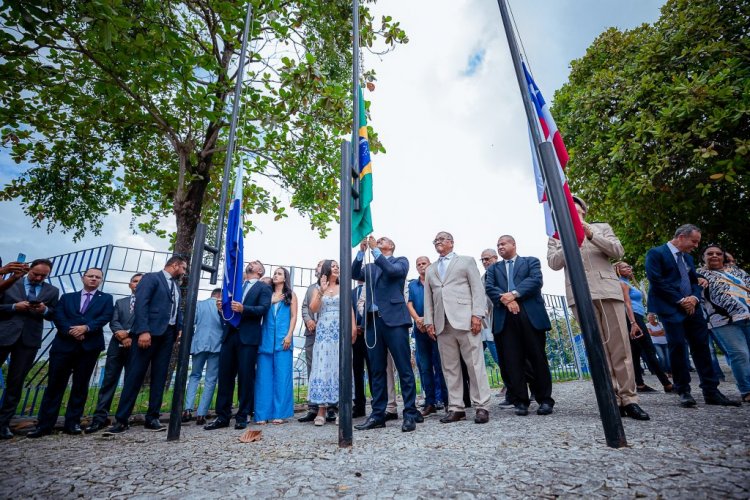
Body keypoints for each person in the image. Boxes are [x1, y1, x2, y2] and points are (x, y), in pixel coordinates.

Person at [548, 197, 649, 421]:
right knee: (598, 350)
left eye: (575, 204)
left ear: (583, 210)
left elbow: (617, 251)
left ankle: (629, 398)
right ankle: (610, 398)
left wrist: (590, 234)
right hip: (579, 293)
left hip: (608, 290)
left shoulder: (601, 228)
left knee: (620, 347)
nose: (571, 207)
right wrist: (570, 239)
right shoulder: (556, 236)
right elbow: (554, 263)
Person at [645, 224, 740, 408]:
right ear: (681, 237)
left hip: (693, 308)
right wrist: (681, 300)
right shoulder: (656, 254)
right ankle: (684, 391)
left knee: (702, 348)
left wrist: (695, 298)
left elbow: (694, 281)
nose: (696, 246)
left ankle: (711, 391)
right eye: (694, 241)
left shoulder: (687, 258)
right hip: (671, 308)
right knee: (678, 347)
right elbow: (656, 281)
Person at [28, 267, 115, 438]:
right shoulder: (67, 297)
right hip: (64, 345)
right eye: (90, 276)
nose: (94, 279)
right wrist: (71, 331)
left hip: (89, 347)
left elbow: (105, 317)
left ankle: (72, 423)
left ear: (101, 280)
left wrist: (86, 328)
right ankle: (44, 425)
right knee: (54, 386)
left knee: (80, 386)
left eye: (97, 277)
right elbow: (58, 316)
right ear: (83, 278)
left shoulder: (106, 298)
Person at [107, 256, 188, 434]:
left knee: (160, 377)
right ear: (175, 265)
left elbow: (176, 309)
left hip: (168, 334)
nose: (184, 272)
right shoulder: (151, 278)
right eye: (183, 268)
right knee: (135, 375)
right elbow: (141, 304)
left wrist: (179, 328)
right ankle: (121, 420)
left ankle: (153, 418)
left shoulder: (175, 285)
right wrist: (143, 330)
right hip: (148, 333)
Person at [352, 236, 422, 432]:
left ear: (391, 246)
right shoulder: (371, 267)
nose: (379, 240)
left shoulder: (401, 261)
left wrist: (375, 251)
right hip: (373, 322)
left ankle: (409, 413)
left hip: (395, 321)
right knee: (376, 370)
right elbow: (353, 273)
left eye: (383, 240)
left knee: (404, 368)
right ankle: (377, 415)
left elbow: (392, 272)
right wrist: (360, 253)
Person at [423, 232, 491, 424]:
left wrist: (477, 314)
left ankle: (481, 406)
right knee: (449, 367)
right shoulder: (431, 269)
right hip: (442, 323)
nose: (438, 241)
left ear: (451, 243)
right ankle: (456, 407)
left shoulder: (467, 261)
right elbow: (428, 298)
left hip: (466, 320)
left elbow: (478, 290)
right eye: (435, 239)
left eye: (442, 238)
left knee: (474, 365)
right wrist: (429, 322)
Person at [488, 235, 554, 417]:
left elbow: (535, 281)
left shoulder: (530, 261)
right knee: (512, 361)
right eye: (498, 244)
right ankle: (520, 401)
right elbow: (490, 288)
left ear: (513, 244)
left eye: (503, 243)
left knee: (537, 359)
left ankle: (545, 400)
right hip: (505, 318)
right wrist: (507, 300)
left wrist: (514, 294)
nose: (500, 247)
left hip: (529, 316)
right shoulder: (494, 269)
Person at [205, 261, 272, 430]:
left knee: (245, 377)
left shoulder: (263, 288)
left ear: (260, 271)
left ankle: (243, 415)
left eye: (256, 263)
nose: (252, 262)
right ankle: (222, 416)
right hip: (230, 336)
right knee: (225, 376)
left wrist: (244, 309)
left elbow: (263, 309)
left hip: (248, 337)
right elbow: (227, 315)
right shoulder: (236, 287)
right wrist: (222, 310)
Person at [0, 259, 59, 440]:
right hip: (3, 335)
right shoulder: (9, 283)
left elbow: (54, 314)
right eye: (36, 274)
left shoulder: (52, 291)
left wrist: (44, 310)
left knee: (15, 383)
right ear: (29, 270)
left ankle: (3, 424)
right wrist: (13, 307)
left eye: (43, 276)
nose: (39, 278)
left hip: (29, 340)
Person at [86, 273, 142, 433]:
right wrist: (120, 334)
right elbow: (114, 320)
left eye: (141, 282)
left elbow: (144, 321)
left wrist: (130, 334)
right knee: (108, 382)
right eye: (135, 281)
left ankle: (122, 419)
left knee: (131, 384)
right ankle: (99, 418)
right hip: (117, 345)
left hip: (136, 346)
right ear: (130, 284)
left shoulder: (148, 304)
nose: (137, 284)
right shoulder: (120, 302)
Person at [697, 244, 750, 403]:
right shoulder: (698, 273)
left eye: (718, 253)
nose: (714, 256)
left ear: (723, 256)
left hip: (747, 316)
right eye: (710, 253)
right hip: (723, 321)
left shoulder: (737, 271)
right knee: (740, 354)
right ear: (703, 257)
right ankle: (746, 390)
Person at [306, 260, 356, 425]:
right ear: (327, 269)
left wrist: (353, 328)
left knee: (340, 366)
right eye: (333, 266)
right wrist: (321, 290)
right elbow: (313, 309)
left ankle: (342, 408)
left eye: (338, 266)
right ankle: (321, 409)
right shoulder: (318, 288)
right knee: (322, 367)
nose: (336, 268)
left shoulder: (344, 287)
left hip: (340, 330)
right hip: (323, 332)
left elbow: (349, 309)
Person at [614, 262, 673, 393]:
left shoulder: (628, 282)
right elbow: (627, 303)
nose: (629, 268)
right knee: (649, 349)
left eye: (629, 266)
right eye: (624, 267)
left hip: (636, 316)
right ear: (617, 270)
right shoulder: (621, 283)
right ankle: (667, 383)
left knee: (635, 352)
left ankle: (639, 384)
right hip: (633, 317)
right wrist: (633, 323)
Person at [254, 267, 297, 424]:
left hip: (283, 341)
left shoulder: (291, 295)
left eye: (279, 273)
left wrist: (289, 335)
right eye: (275, 273)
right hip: (265, 340)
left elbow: (293, 317)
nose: (275, 276)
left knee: (282, 377)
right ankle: (262, 414)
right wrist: (271, 301)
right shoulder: (267, 295)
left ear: (285, 278)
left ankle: (280, 413)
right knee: (263, 378)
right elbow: (260, 311)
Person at [408, 256, 448, 417]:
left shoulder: (438, 281)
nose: (421, 266)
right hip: (420, 330)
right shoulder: (413, 284)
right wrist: (418, 319)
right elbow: (409, 303)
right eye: (418, 264)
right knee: (424, 367)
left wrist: (429, 320)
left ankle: (446, 402)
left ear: (430, 265)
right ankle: (430, 402)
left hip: (438, 329)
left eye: (424, 263)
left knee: (441, 366)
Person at [182, 288, 223, 426]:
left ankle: (187, 409)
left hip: (199, 343)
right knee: (211, 379)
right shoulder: (222, 306)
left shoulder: (199, 305)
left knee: (194, 375)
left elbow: (191, 322)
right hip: (217, 344)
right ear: (219, 296)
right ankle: (201, 414)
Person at [298, 260, 326, 423]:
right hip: (312, 332)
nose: (318, 266)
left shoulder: (334, 287)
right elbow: (304, 307)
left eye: (321, 264)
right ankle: (313, 407)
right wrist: (308, 320)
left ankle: (330, 408)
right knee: (312, 368)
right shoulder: (310, 288)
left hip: (328, 332)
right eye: (317, 265)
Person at [351, 280, 371, 418]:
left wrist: (364, 326)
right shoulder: (350, 293)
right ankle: (359, 406)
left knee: (373, 370)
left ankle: (377, 404)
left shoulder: (371, 290)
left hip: (370, 333)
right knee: (357, 371)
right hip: (354, 336)